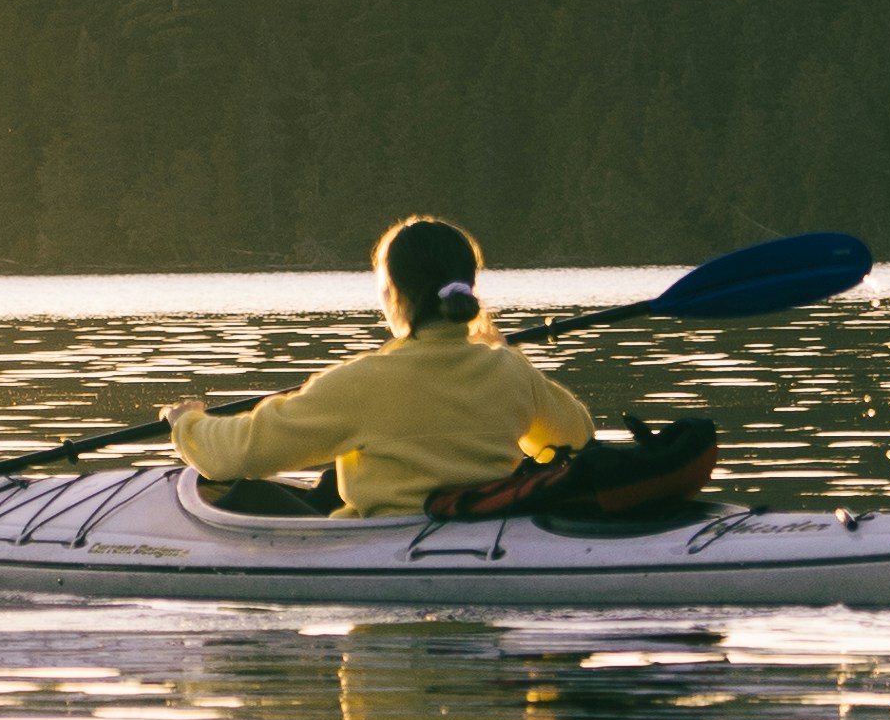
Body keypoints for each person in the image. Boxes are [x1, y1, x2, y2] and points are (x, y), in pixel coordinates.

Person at [168, 217, 593, 522]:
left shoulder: (361, 382)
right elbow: (575, 440)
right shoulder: (509, 369)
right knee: (331, 484)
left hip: (381, 544)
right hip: (482, 527)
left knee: (247, 492)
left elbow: (236, 454)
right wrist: (500, 358)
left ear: (394, 293)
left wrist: (187, 423)